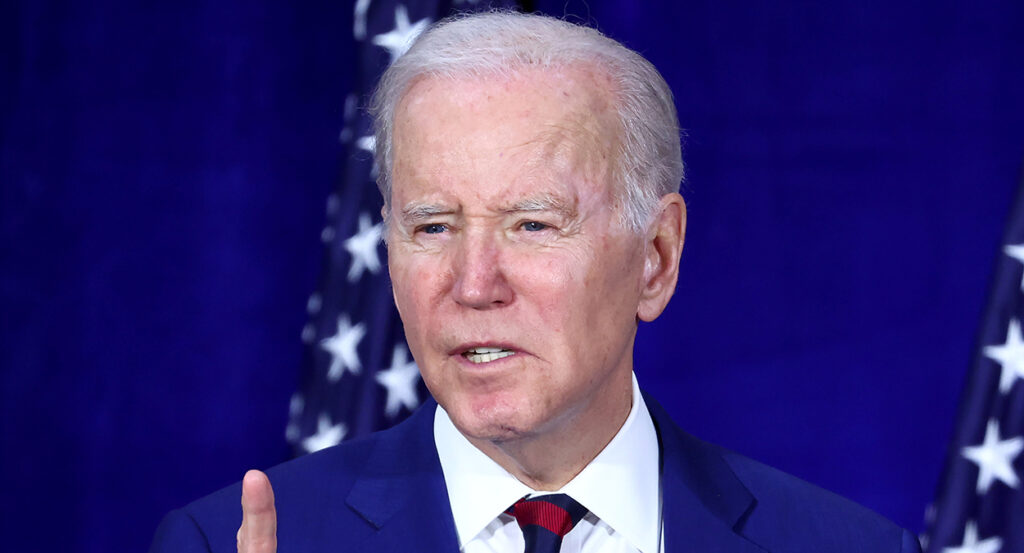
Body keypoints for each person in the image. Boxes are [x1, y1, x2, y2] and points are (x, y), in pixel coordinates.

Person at [151, 11, 922, 553]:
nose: (474, 284)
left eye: (532, 224)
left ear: (656, 255)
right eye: (432, 226)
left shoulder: (848, 546)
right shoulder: (233, 543)